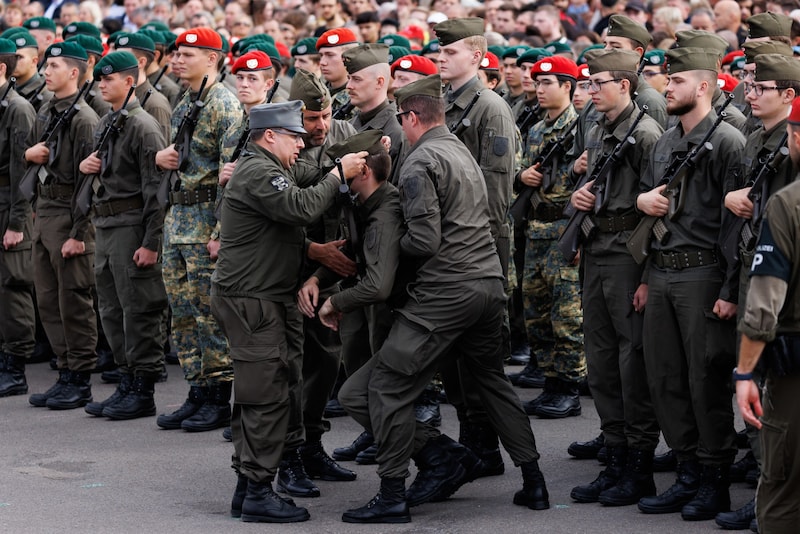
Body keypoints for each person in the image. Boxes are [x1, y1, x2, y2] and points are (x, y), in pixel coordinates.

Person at [338, 74, 549, 524]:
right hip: (487, 285)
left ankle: (393, 492)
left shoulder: (419, 162)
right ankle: (534, 481)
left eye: (401, 117)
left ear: (411, 117)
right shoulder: (458, 150)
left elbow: (425, 241)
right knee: (492, 383)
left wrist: (387, 251)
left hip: (444, 294)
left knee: (385, 389)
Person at [211, 100, 365, 524]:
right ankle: (259, 491)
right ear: (270, 136)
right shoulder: (259, 170)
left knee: (264, 391)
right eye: (294, 137)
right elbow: (300, 206)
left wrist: (341, 161)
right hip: (252, 300)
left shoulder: (266, 165)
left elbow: (303, 177)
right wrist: (339, 175)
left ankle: (248, 486)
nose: (301, 145)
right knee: (267, 396)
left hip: (262, 296)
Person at [634, 47, 744, 522]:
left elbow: (737, 227)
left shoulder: (728, 142)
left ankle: (714, 478)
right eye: (666, 80)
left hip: (703, 273)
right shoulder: (662, 142)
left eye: (676, 80)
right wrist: (643, 276)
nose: (667, 87)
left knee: (705, 380)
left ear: (704, 86)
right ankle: (685, 471)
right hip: (660, 271)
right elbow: (652, 216)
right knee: (664, 378)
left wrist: (730, 291)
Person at [567, 48, 663, 506]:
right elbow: (592, 189)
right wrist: (579, 197)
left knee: (632, 364)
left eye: (596, 82)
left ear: (624, 85)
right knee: (601, 362)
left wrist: (647, 275)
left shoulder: (645, 134)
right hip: (597, 251)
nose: (589, 91)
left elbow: (659, 209)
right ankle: (616, 454)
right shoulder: (599, 128)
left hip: (628, 255)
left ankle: (639, 466)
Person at [716, 52, 800, 531]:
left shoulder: (789, 174)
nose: (749, 91)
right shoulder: (752, 137)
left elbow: (771, 228)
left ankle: (767, 488)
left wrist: (743, 370)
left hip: (781, 298)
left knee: (773, 410)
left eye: (759, 86)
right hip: (753, 268)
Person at [434, 16, 518, 477]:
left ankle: (486, 445)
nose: (440, 58)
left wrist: (465, 243)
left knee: (479, 352)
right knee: (453, 352)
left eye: (449, 52)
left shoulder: (490, 108)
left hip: (477, 245)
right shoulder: (447, 102)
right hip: (448, 244)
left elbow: (496, 190)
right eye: (439, 52)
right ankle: (474, 436)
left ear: (478, 58)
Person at [154, 28, 241, 433]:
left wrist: (222, 233)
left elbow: (230, 177)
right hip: (179, 219)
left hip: (206, 220)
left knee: (209, 314)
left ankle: (220, 395)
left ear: (212, 58)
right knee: (183, 313)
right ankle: (198, 389)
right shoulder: (185, 99)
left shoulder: (224, 104)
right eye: (177, 53)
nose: (178, 59)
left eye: (189, 54)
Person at [79, 51, 168, 420]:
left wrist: (151, 243)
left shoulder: (143, 127)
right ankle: (126, 381)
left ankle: (143, 389)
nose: (101, 84)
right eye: (99, 79)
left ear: (129, 81)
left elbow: (156, 191)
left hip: (132, 226)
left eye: (109, 79)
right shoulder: (108, 121)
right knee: (112, 311)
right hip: (107, 225)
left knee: (138, 309)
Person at [26, 41, 100, 410]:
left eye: (53, 66)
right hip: (46, 209)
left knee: (73, 297)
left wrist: (79, 234)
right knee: (48, 298)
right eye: (45, 65)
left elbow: (90, 183)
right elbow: (35, 156)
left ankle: (81, 377)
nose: (45, 72)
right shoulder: (46, 108)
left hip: (71, 213)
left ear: (74, 72)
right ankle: (65, 369)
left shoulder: (84, 118)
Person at [518, 55, 585, 419]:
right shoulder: (536, 129)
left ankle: (570, 388)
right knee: (536, 312)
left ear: (567, 87)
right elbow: (521, 171)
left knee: (567, 315)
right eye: (538, 83)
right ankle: (550, 381)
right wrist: (522, 177)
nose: (539, 89)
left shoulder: (581, 129)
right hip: (536, 228)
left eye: (548, 83)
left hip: (563, 227)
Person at [0, 38, 38, 398]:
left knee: (14, 286)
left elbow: (21, 173)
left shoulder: (18, 109)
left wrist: (15, 223)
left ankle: (15, 365)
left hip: (10, 205)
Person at [316, 28, 359, 121]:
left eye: (330, 55)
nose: (322, 62)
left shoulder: (359, 96)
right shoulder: (315, 92)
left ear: (349, 58)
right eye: (321, 56)